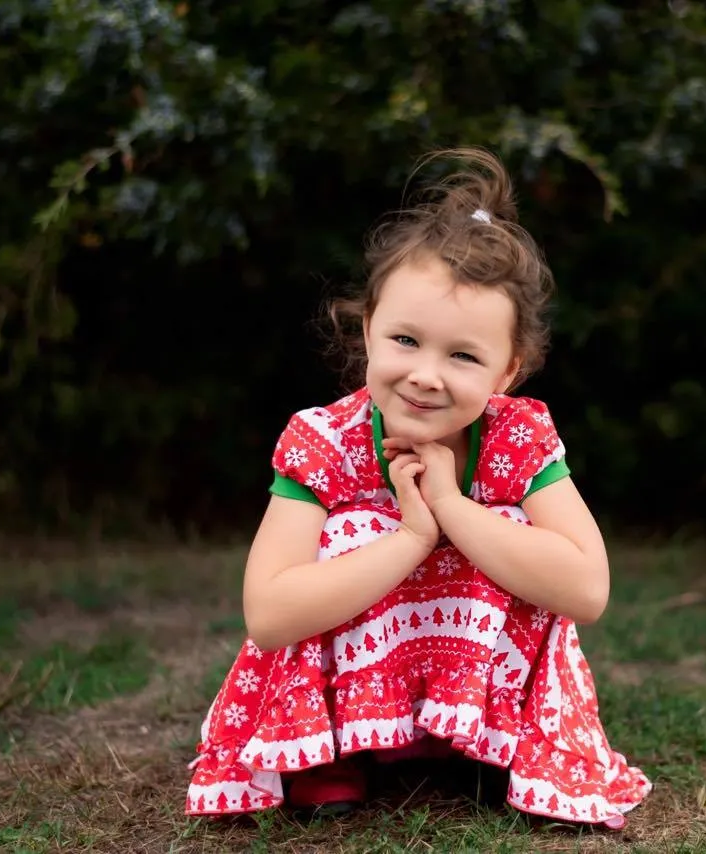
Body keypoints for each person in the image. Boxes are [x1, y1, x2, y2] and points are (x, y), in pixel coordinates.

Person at [185, 147, 653, 829]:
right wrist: (411, 535)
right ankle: (329, 750)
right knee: (353, 532)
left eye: (463, 355)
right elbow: (268, 613)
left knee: (513, 538)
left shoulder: (517, 439)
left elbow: (586, 589)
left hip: (470, 679)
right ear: (369, 329)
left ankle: (470, 734)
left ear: (507, 372)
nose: (426, 375)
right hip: (342, 688)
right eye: (405, 339)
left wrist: (454, 507)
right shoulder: (324, 441)